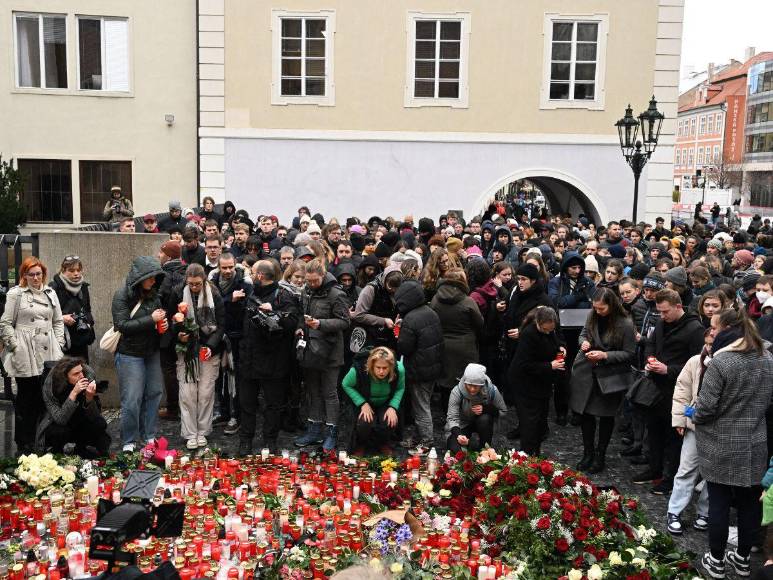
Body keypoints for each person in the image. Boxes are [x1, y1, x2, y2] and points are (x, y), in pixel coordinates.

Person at [692, 309, 773, 579]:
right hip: (755, 440)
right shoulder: (767, 358)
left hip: (721, 442)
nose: (711, 332)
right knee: (750, 503)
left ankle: (715, 560)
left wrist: (694, 414)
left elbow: (705, 408)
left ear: (727, 329)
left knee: (719, 502)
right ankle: (742, 559)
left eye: (714, 328)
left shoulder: (722, 362)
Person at [633, 289, 704, 494]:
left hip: (677, 389)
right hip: (656, 388)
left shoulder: (694, 329)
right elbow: (651, 344)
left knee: (674, 438)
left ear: (678, 307)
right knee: (654, 430)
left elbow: (696, 364)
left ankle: (669, 478)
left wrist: (668, 369)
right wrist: (650, 360)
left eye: (665, 312)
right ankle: (654, 469)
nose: (662, 316)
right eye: (660, 312)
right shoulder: (663, 323)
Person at [0, 257, 65, 453]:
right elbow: (5, 323)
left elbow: (58, 321)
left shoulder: (50, 293)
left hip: (48, 350)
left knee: (45, 398)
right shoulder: (15, 294)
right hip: (25, 350)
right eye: (31, 274)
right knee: (25, 399)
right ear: (24, 275)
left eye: (39, 273)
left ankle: (42, 438)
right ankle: (24, 441)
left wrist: (59, 344)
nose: (36, 277)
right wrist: (15, 346)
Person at [571, 288, 636, 473]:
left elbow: (629, 353)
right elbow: (583, 333)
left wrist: (605, 355)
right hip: (587, 372)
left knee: (606, 416)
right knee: (586, 415)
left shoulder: (625, 324)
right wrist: (582, 342)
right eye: (595, 308)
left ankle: (600, 454)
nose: (598, 312)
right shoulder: (593, 315)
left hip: (609, 376)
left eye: (602, 309)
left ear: (611, 305)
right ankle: (588, 452)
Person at [238, 260, 299, 455]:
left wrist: (273, 313)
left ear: (260, 276)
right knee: (246, 403)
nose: (251, 276)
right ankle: (245, 440)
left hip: (273, 360)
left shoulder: (284, 296)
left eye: (253, 272)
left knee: (273, 404)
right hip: (248, 358)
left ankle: (270, 440)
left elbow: (292, 322)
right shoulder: (247, 293)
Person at [111, 256, 167, 452]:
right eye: (150, 277)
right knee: (132, 398)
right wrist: (151, 319)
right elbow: (122, 325)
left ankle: (149, 435)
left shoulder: (154, 295)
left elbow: (158, 321)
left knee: (154, 393)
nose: (154, 281)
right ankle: (129, 440)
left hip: (150, 351)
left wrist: (163, 325)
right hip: (129, 353)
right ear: (140, 277)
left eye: (155, 277)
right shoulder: (122, 296)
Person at [294, 259, 350, 452]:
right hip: (311, 349)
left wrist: (321, 324)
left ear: (323, 275)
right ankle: (314, 429)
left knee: (329, 392)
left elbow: (344, 322)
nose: (310, 284)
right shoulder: (306, 292)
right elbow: (302, 316)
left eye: (314, 281)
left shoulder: (336, 294)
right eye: (307, 281)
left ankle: (331, 432)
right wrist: (301, 329)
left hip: (330, 351)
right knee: (313, 391)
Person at [170, 264, 225, 450]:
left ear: (204, 280)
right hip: (186, 350)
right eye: (191, 284)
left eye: (198, 284)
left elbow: (221, 324)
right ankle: (190, 432)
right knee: (187, 393)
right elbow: (171, 320)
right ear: (186, 280)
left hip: (208, 348)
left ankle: (203, 430)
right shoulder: (177, 293)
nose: (194, 287)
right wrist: (178, 333)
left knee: (205, 393)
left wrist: (210, 345)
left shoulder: (214, 294)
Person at [667, 328, 712, 536]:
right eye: (708, 343)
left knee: (712, 474)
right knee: (686, 468)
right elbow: (682, 389)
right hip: (695, 424)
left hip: (717, 428)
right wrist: (680, 419)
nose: (710, 347)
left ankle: (705, 512)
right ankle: (674, 511)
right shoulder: (695, 361)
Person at [395, 279, 444, 455]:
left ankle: (426, 443)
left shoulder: (410, 318)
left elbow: (404, 347)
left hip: (418, 370)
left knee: (421, 408)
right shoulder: (430, 312)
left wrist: (399, 332)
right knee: (423, 404)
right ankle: (418, 438)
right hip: (432, 368)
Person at [508, 306, 565, 456]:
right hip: (526, 384)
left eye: (550, 329)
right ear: (538, 323)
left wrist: (561, 347)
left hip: (542, 383)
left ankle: (535, 454)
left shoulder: (549, 329)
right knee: (529, 423)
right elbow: (524, 365)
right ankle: (526, 455)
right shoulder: (528, 334)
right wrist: (550, 366)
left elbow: (556, 340)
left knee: (540, 421)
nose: (548, 332)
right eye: (545, 329)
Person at [34, 357, 110, 457]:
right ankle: (57, 453)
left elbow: (95, 417)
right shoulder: (51, 387)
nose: (81, 376)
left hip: (81, 421)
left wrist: (89, 398)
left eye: (81, 372)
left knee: (99, 425)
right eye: (76, 374)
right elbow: (60, 419)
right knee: (59, 431)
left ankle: (83, 449)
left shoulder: (88, 376)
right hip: (61, 424)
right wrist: (74, 393)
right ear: (65, 377)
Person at [210, 252, 252, 436]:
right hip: (219, 336)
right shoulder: (213, 281)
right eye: (224, 267)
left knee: (235, 378)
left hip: (237, 337)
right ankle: (224, 411)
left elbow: (246, 309)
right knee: (220, 377)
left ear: (235, 265)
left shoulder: (244, 283)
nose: (227, 271)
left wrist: (232, 302)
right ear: (219, 267)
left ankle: (236, 415)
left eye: (230, 267)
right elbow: (213, 306)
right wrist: (229, 300)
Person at [431, 268, 484, 411]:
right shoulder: (468, 301)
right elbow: (479, 323)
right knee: (465, 379)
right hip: (465, 347)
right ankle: (463, 412)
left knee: (445, 380)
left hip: (443, 345)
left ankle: (447, 411)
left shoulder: (436, 299)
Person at [343, 347, 405, 455]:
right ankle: (361, 444)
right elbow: (346, 384)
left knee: (390, 420)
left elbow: (400, 388)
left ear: (390, 366)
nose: (381, 371)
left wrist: (393, 407)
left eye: (385, 368)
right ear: (372, 365)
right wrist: (362, 403)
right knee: (364, 421)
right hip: (365, 400)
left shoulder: (399, 369)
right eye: (378, 367)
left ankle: (383, 443)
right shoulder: (358, 369)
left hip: (386, 401)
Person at [445, 363, 507, 453]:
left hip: (483, 423)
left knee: (485, 418)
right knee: (455, 449)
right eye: (469, 385)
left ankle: (484, 449)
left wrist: (487, 409)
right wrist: (458, 435)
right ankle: (469, 443)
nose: (472, 389)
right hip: (462, 424)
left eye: (476, 386)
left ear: (482, 385)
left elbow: (503, 412)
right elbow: (452, 418)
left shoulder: (492, 390)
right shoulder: (457, 391)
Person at [157, 241, 186, 420]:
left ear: (168, 255)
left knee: (168, 368)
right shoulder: (187, 272)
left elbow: (159, 302)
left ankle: (173, 408)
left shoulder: (162, 276)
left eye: (160, 253)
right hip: (185, 326)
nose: (158, 256)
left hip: (167, 329)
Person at [49, 256, 95, 362]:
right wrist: (62, 318)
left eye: (78, 270)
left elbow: (88, 309)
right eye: (71, 270)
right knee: (63, 373)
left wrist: (88, 323)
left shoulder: (83, 287)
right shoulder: (54, 287)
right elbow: (45, 315)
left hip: (81, 338)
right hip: (62, 339)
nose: (76, 273)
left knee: (82, 372)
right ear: (63, 270)